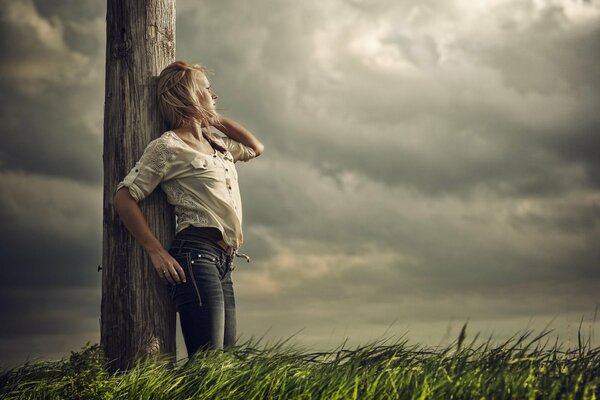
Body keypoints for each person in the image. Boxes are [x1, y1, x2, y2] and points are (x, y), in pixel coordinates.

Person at [113, 60, 264, 360]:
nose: (214, 95)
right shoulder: (167, 147)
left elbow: (255, 147)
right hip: (196, 257)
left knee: (224, 368)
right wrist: (155, 251)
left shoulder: (217, 144)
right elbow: (124, 197)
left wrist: (213, 119)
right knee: (208, 363)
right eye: (207, 90)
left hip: (224, 261)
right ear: (190, 96)